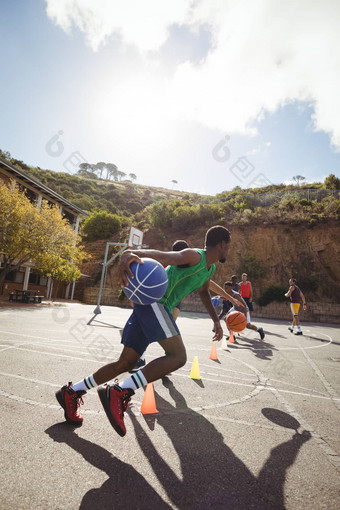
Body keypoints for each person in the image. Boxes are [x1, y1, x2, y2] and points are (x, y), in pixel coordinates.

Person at [55, 225, 231, 436]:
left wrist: (217, 321)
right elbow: (166, 256)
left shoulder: (209, 269)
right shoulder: (195, 256)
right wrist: (133, 253)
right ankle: (120, 392)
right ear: (222, 244)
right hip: (156, 303)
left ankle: (72, 392)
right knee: (177, 356)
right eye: (229, 245)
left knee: (126, 363)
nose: (229, 249)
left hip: (147, 306)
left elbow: (204, 293)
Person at [129, 239, 189, 373]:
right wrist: (137, 296)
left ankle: (168, 362)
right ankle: (141, 358)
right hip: (159, 301)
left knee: (168, 334)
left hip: (175, 301)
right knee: (152, 331)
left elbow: (207, 282)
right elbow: (147, 279)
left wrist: (228, 296)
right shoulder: (165, 266)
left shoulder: (191, 266)